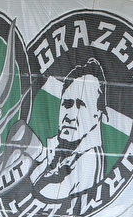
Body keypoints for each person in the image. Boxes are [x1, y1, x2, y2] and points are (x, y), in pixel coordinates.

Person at [32, 58, 108, 199]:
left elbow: (49, 197)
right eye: (67, 104)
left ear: (97, 114)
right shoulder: (54, 150)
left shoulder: (89, 160)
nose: (70, 116)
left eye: (80, 105)